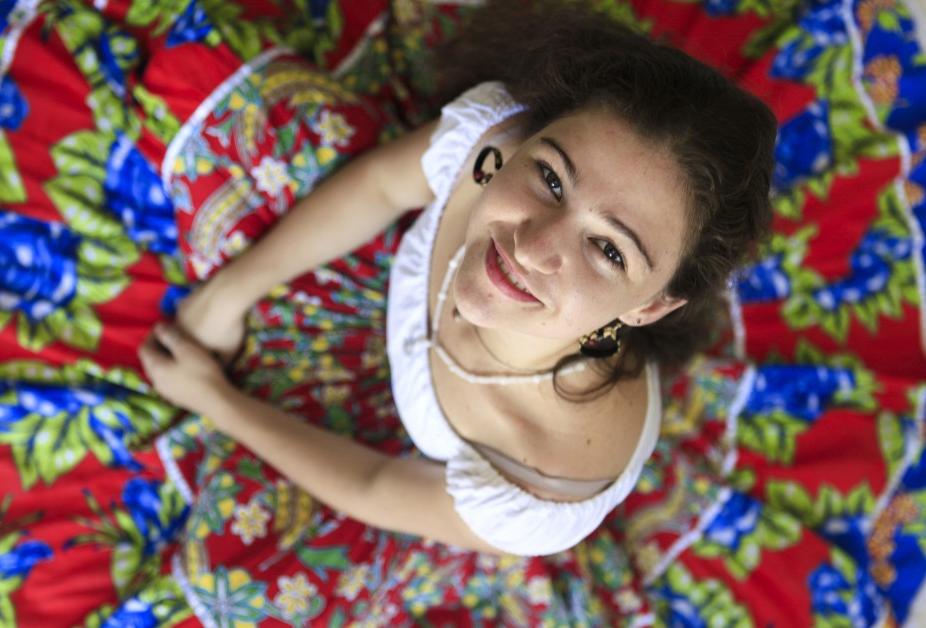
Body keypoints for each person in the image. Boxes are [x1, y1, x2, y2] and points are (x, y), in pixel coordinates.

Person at [137, 1, 777, 557]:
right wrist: (228, 295)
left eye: (609, 250)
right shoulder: (492, 139)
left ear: (651, 307)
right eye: (551, 179)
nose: (532, 246)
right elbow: (385, 184)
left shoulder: (547, 477)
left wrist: (217, 400)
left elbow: (373, 487)